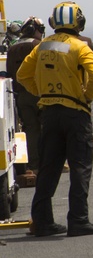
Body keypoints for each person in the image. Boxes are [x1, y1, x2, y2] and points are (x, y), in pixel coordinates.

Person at [16, 1, 93, 237]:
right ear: (79, 22)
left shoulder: (43, 46)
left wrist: (41, 92)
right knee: (80, 167)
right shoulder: (80, 46)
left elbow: (23, 74)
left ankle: (43, 223)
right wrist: (86, 97)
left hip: (50, 113)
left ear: (54, 23)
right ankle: (78, 221)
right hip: (75, 113)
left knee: (48, 169)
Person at [5, 16, 46, 181]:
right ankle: (49, 163)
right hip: (40, 94)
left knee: (30, 130)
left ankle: (34, 166)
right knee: (47, 129)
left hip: (21, 95)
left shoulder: (13, 49)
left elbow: (8, 74)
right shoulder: (39, 46)